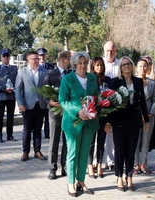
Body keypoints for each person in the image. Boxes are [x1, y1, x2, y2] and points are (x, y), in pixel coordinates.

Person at [104, 56, 150, 192]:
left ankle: (129, 176)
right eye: (123, 65)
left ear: (132, 66)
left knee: (131, 151)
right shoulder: (115, 82)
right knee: (120, 151)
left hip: (134, 121)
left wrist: (146, 119)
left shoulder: (138, 81)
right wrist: (108, 122)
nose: (126, 66)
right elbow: (109, 104)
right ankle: (119, 177)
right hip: (119, 122)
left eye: (128, 64)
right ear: (120, 68)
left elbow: (142, 102)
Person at [59, 52, 99, 197]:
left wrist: (95, 107)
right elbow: (63, 100)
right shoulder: (67, 79)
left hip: (89, 123)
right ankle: (70, 182)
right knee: (73, 153)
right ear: (75, 64)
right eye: (80, 63)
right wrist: (78, 111)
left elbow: (96, 97)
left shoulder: (93, 78)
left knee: (84, 154)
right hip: (73, 123)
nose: (83, 65)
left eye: (85, 62)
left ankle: (81, 181)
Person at [15, 51, 48, 161]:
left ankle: (37, 151)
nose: (36, 61)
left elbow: (47, 88)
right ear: (28, 60)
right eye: (34, 59)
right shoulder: (22, 72)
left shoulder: (44, 72)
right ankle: (25, 152)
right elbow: (18, 89)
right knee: (27, 130)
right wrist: (20, 103)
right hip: (27, 105)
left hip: (40, 105)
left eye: (37, 58)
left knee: (38, 129)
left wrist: (47, 101)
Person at [44, 51, 71, 179]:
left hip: (68, 113)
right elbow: (42, 93)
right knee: (54, 141)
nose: (71, 63)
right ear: (64, 60)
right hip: (54, 113)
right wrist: (49, 101)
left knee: (67, 141)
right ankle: (52, 169)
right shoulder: (50, 74)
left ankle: (65, 167)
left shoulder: (71, 74)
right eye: (70, 60)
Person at [87, 57, 111, 179]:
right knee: (91, 142)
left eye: (101, 65)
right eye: (97, 65)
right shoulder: (89, 79)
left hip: (104, 114)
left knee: (101, 141)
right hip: (92, 114)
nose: (99, 67)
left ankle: (100, 164)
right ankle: (90, 165)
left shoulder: (108, 80)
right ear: (93, 67)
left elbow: (111, 97)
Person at [134, 58, 155, 175]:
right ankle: (136, 165)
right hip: (136, 116)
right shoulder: (133, 82)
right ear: (136, 68)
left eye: (145, 66)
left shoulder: (152, 83)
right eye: (140, 66)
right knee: (136, 141)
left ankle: (143, 164)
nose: (143, 69)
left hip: (149, 116)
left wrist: (151, 114)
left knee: (145, 141)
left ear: (148, 68)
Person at [0, 48, 18, 143]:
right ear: (1, 57)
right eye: (4, 56)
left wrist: (15, 88)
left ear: (10, 57)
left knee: (10, 116)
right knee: (0, 117)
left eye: (7, 56)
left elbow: (18, 80)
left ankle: (10, 135)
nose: (6, 58)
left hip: (11, 95)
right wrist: (0, 88)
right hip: (2, 95)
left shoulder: (14, 68)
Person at [103, 41, 120, 171]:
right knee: (103, 132)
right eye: (108, 50)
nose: (110, 53)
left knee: (113, 133)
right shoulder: (100, 64)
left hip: (117, 102)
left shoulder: (120, 64)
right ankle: (99, 160)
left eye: (112, 51)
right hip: (102, 102)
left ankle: (111, 160)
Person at [37, 47, 54, 139]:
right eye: (40, 55)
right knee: (38, 115)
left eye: (43, 55)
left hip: (47, 93)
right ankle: (36, 132)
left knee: (48, 115)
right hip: (39, 94)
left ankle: (47, 133)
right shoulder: (36, 66)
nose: (42, 57)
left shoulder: (50, 67)